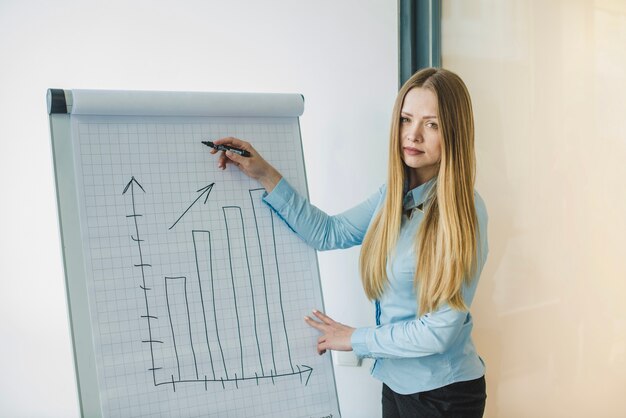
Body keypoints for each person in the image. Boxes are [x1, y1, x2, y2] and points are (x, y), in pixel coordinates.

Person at [210, 67, 488, 418]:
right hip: (396, 383)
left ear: (454, 133)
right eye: (406, 119)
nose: (413, 134)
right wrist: (265, 173)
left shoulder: (465, 212)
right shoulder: (392, 198)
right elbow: (329, 232)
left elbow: (439, 333)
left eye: (431, 124)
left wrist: (354, 338)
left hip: (444, 394)